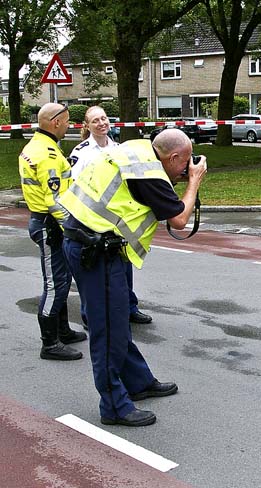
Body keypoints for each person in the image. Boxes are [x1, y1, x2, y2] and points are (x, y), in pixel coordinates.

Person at [59, 129, 207, 427]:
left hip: (88, 243)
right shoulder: (150, 173)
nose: (186, 168)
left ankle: (138, 382)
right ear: (174, 157)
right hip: (96, 252)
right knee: (108, 330)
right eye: (185, 163)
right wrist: (194, 182)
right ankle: (114, 405)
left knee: (116, 322)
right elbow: (179, 219)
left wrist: (181, 177)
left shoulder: (138, 149)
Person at [68, 106, 153, 326]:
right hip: (93, 220)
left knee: (124, 263)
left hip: (117, 217)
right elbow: (77, 186)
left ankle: (129, 307)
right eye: (95, 120)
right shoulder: (82, 152)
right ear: (87, 126)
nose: (102, 123)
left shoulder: (118, 148)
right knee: (93, 273)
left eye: (104, 118)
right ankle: (89, 315)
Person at [18, 103, 86, 361]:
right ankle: (50, 344)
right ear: (56, 122)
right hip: (50, 225)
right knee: (54, 284)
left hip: (47, 222)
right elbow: (54, 199)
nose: (69, 125)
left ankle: (63, 331)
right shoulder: (46, 153)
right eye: (67, 121)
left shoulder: (36, 145)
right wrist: (75, 227)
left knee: (62, 278)